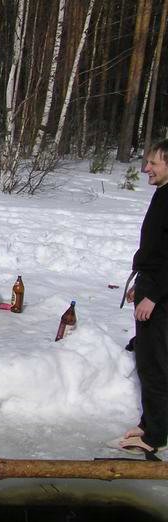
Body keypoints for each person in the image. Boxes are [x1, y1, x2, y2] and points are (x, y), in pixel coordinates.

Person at [117, 139, 168, 456]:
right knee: (148, 361)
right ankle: (150, 422)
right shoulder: (162, 195)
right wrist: (141, 284)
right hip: (152, 286)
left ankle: (156, 434)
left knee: (155, 365)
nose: (146, 168)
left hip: (161, 296)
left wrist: (154, 297)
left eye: (153, 163)